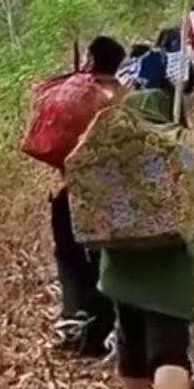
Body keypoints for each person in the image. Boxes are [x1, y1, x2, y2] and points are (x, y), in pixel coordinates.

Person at [100, 85, 194, 389]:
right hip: (172, 266)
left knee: (131, 340)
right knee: (169, 351)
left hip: (122, 265)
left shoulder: (112, 150)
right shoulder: (183, 147)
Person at [50, 36, 125, 356]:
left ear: (91, 60)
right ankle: (103, 329)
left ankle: (76, 324)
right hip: (110, 193)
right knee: (102, 259)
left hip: (69, 190)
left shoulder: (77, 94)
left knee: (69, 258)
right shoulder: (123, 97)